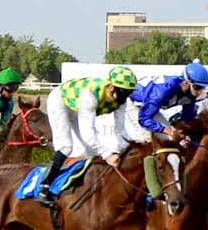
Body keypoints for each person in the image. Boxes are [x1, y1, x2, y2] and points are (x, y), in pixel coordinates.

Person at [35, 66, 139, 208]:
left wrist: (118, 150)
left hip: (76, 105)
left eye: (129, 93)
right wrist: (108, 155)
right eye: (123, 93)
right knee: (66, 146)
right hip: (60, 101)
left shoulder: (121, 100)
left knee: (91, 152)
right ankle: (43, 188)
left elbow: (119, 129)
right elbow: (88, 134)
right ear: (111, 88)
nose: (125, 98)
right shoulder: (90, 95)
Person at [130, 61, 208, 135]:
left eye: (203, 88)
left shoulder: (190, 94)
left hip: (147, 107)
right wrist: (170, 132)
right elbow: (144, 119)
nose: (199, 92)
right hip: (131, 101)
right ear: (186, 83)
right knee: (150, 138)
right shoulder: (163, 90)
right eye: (197, 87)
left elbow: (187, 119)